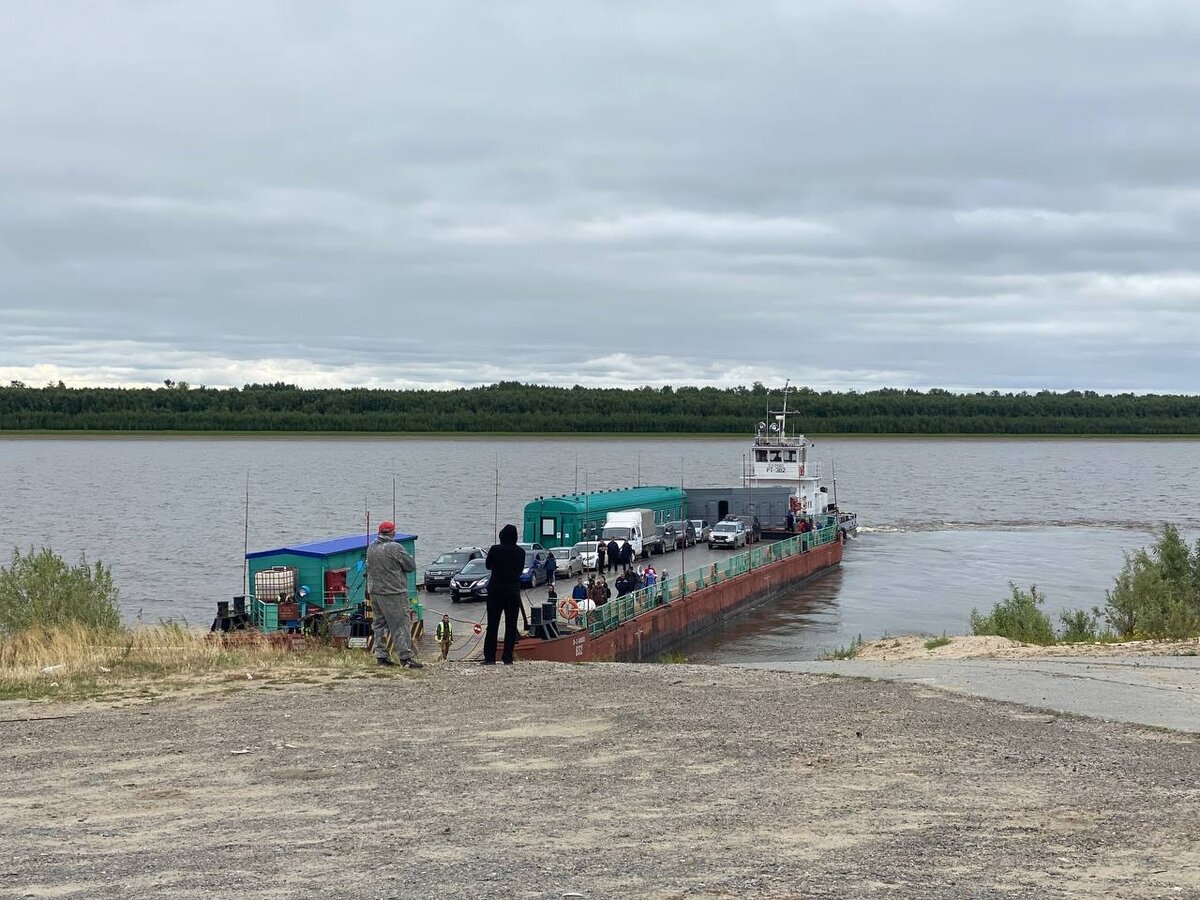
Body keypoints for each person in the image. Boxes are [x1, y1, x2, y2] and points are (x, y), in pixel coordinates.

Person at [366, 521, 422, 669]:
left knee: (379, 625)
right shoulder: (394, 547)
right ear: (393, 533)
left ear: (379, 532)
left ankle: (381, 656)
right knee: (400, 625)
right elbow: (410, 566)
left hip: (375, 592)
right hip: (393, 592)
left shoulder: (371, 547)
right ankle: (405, 658)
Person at [483, 523, 525, 665]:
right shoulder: (521, 552)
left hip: (495, 591)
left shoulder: (495, 549)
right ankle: (507, 657)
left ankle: (489, 658)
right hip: (513, 591)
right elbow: (519, 571)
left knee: (492, 625)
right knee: (511, 625)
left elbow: (488, 565)